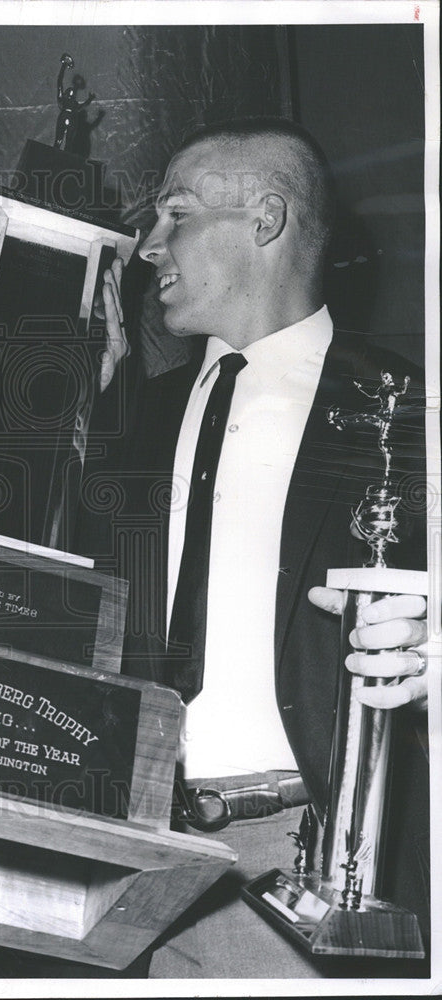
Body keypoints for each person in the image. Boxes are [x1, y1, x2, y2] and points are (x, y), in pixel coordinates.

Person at [81, 117, 430, 978]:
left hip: (311, 873)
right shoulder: (130, 417)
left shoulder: (407, 415)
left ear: (264, 220)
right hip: (130, 873)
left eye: (175, 215)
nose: (148, 246)